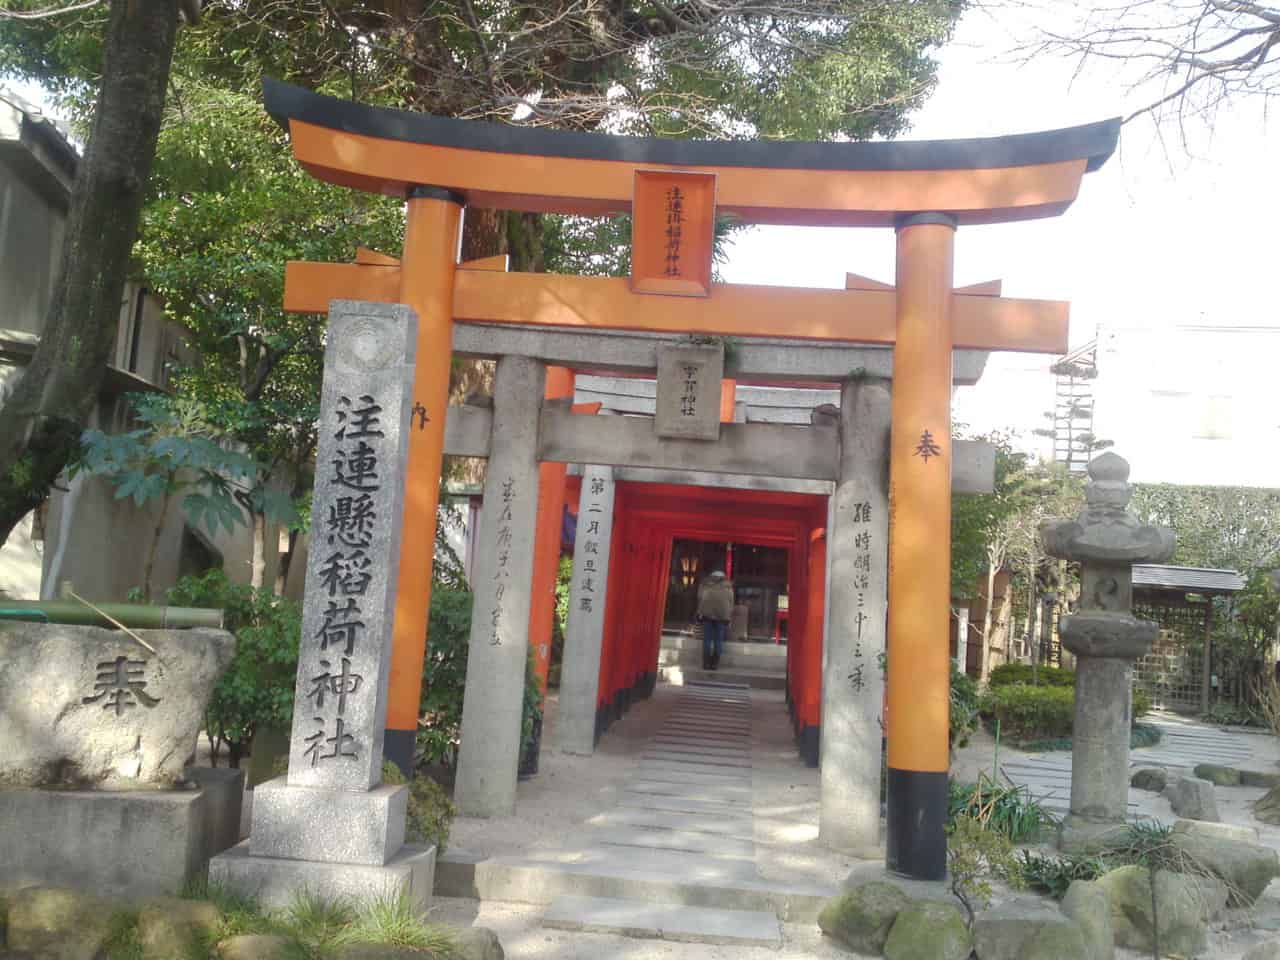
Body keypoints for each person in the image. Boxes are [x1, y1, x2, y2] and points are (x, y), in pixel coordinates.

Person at [695, 570, 734, 670]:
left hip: (707, 615)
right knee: (718, 640)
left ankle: (706, 663)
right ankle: (714, 664)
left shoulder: (706, 585)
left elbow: (699, 598)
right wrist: (729, 616)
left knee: (707, 639)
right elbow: (731, 602)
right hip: (722, 616)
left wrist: (699, 612)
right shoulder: (728, 587)